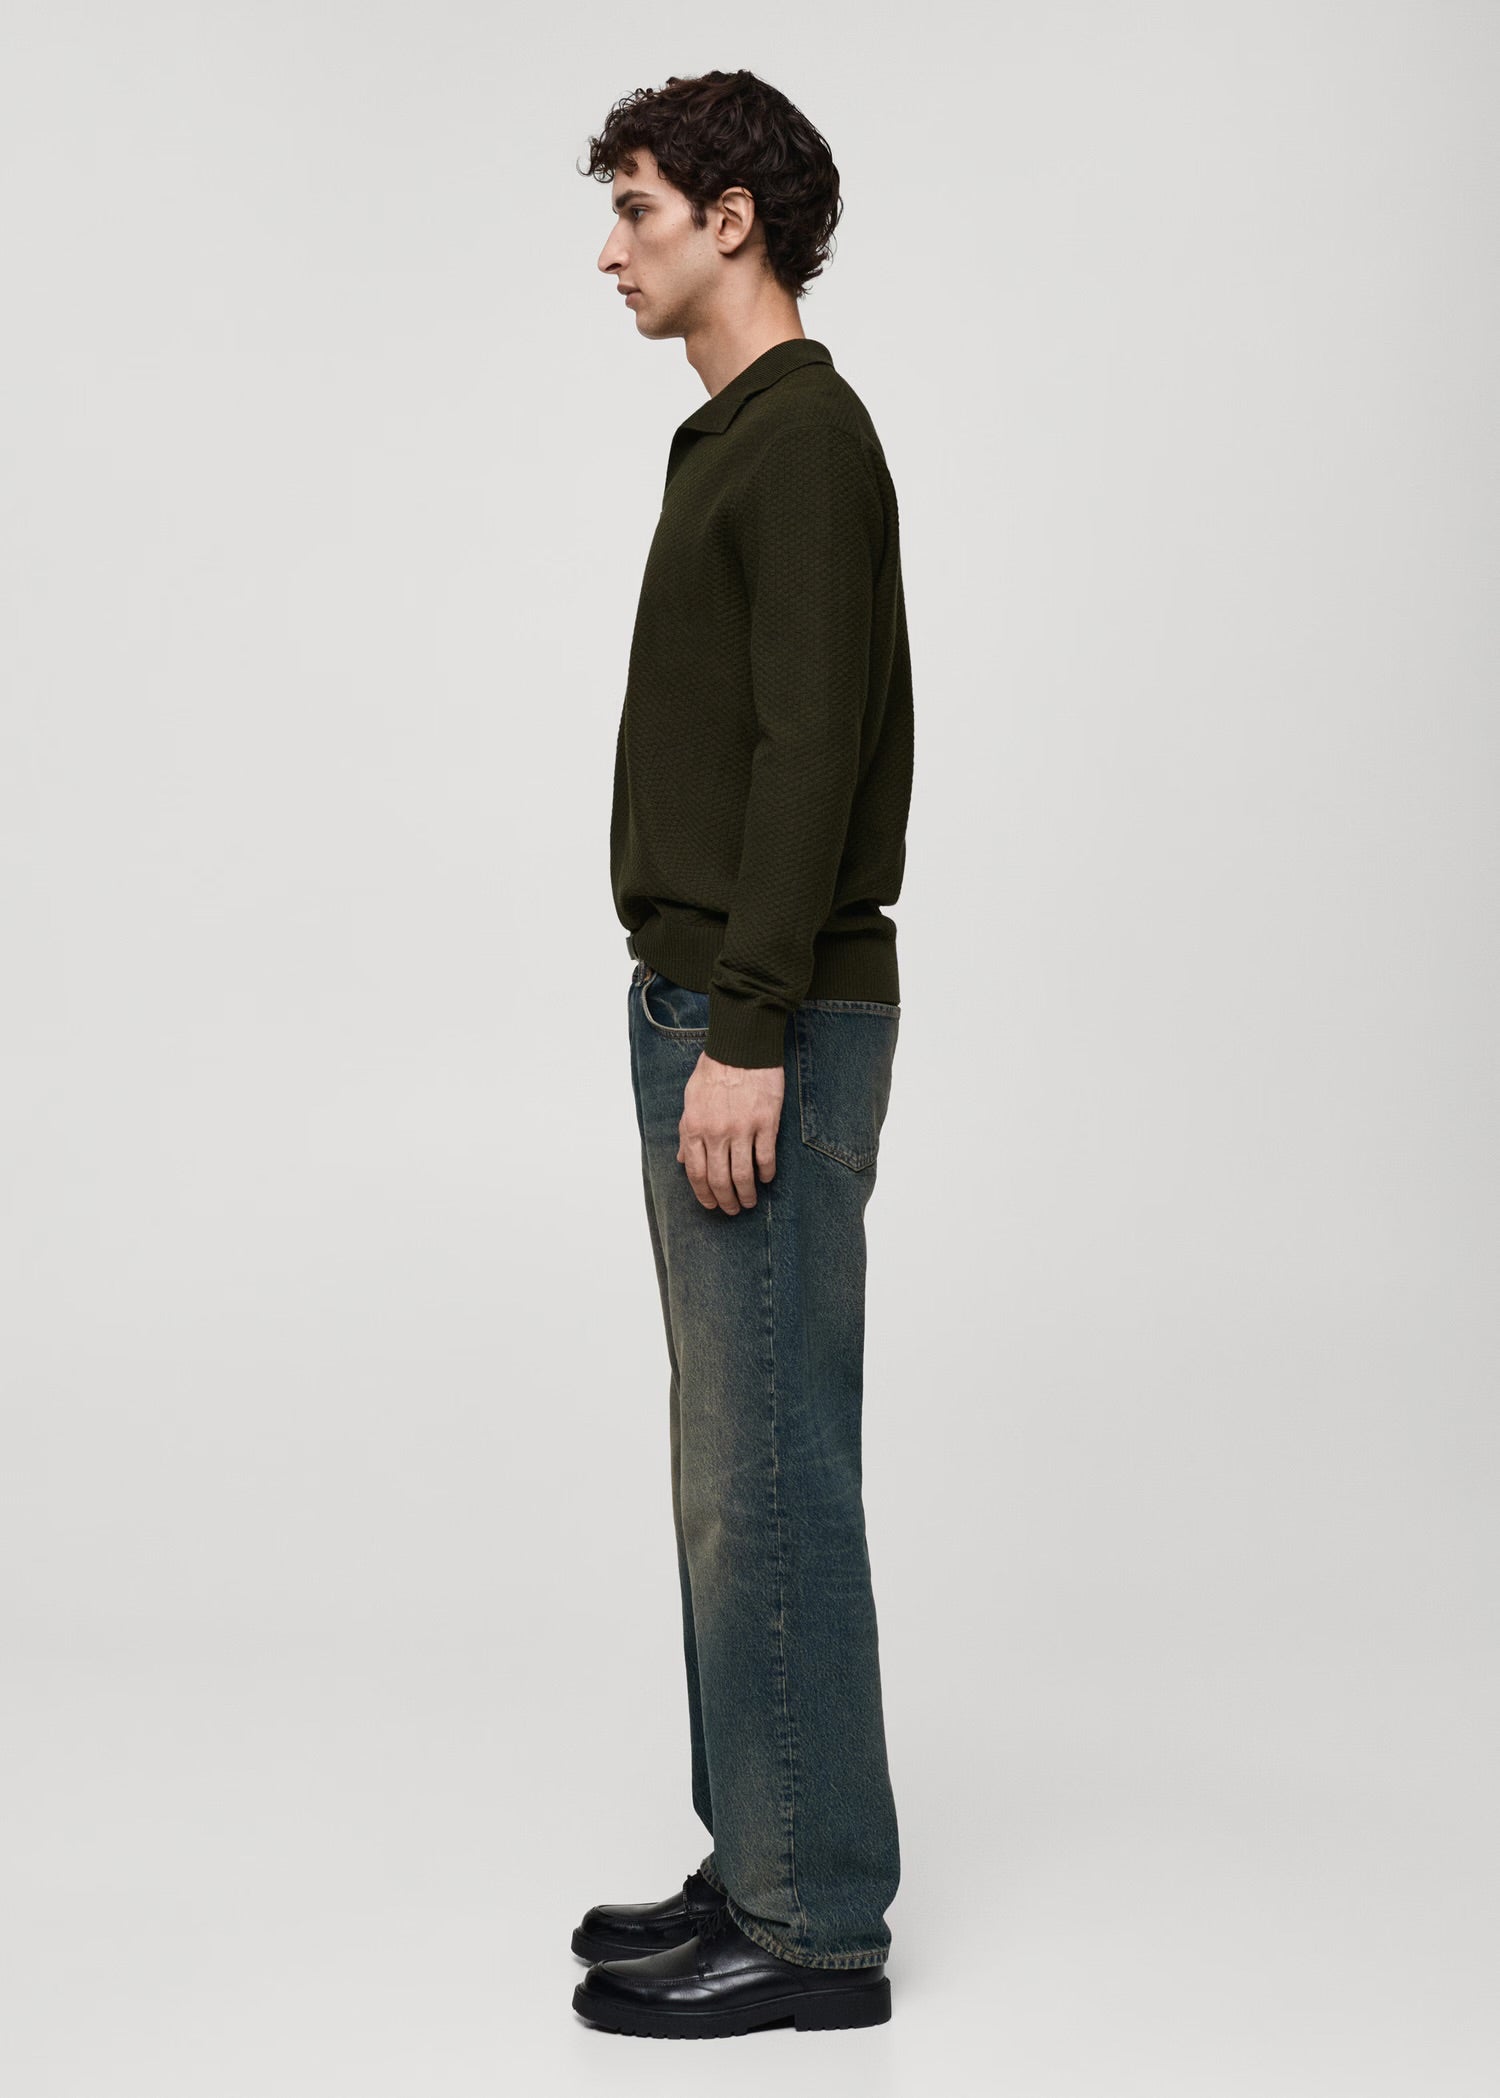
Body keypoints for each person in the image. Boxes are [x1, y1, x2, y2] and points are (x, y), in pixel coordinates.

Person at [570, 68, 915, 2042]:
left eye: (636, 208)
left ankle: (811, 1927)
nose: (609, 250)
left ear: (733, 221)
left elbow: (813, 754)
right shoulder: (736, 438)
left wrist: (752, 1027)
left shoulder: (804, 442)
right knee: (734, 1466)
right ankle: (761, 1850)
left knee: (772, 1467)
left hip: (758, 1023)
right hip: (715, 1007)